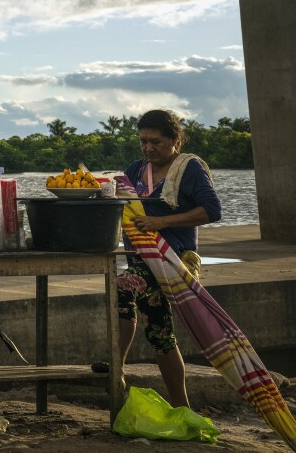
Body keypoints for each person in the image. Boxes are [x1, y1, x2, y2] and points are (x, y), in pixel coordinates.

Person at [113, 109, 222, 408]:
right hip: (141, 260)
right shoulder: (136, 169)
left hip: (174, 262)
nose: (148, 148)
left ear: (175, 140)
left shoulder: (189, 168)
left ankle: (116, 367)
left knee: (123, 287)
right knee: (160, 333)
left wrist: (163, 222)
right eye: (143, 142)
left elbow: (212, 210)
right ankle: (181, 407)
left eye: (156, 142)